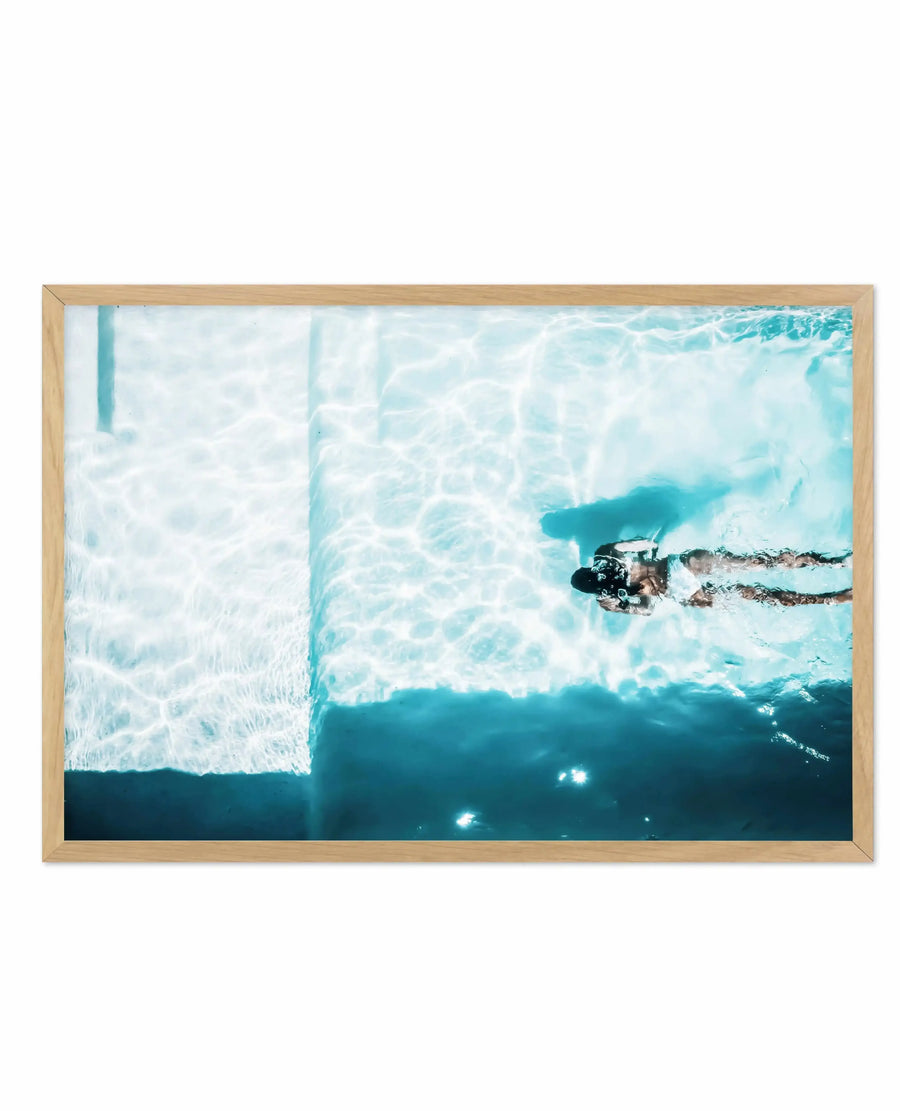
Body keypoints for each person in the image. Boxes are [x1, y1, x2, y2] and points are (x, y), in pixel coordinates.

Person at [570, 537, 852, 615]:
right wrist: (646, 556)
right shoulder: (604, 553)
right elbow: (647, 543)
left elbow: (646, 610)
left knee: (760, 596)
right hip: (680, 566)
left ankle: (833, 600)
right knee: (761, 563)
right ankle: (836, 564)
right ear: (587, 567)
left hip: (679, 593)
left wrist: (625, 606)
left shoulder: (607, 598)